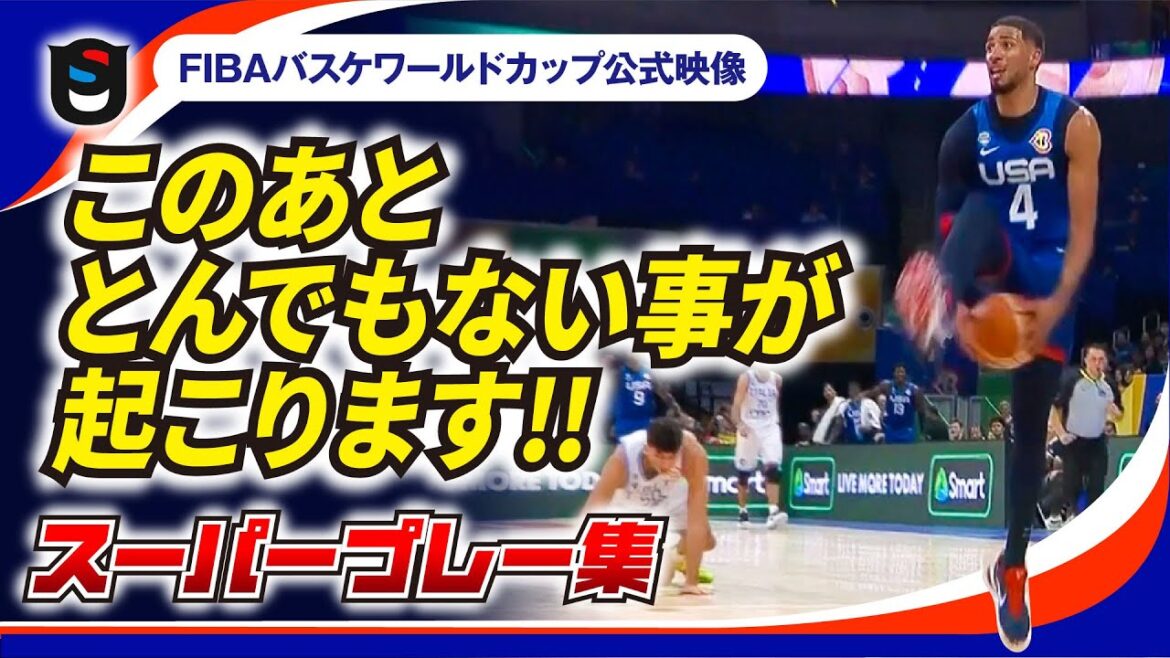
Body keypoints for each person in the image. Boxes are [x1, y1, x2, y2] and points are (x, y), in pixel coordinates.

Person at [895, 15, 1100, 652]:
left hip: (1050, 283)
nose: (995, 53)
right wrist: (959, 302)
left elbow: (1085, 232)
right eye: (989, 45)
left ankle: (1012, 565)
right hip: (993, 261)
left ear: (1036, 55)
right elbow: (949, 219)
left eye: (1008, 44)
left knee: (1031, 432)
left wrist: (1057, 304)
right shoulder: (964, 135)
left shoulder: (1074, 125)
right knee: (980, 210)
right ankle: (938, 296)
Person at [584, 417, 715, 594]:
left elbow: (697, 518)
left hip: (670, 494)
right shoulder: (622, 460)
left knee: (707, 541)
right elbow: (593, 510)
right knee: (659, 577)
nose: (665, 464)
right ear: (647, 448)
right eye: (659, 456)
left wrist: (691, 582)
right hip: (629, 500)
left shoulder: (693, 455)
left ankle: (676, 556)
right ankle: (659, 557)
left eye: (671, 457)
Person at [1050, 344, 1123, 517]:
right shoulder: (1072, 380)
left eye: (1101, 359)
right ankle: (1064, 514)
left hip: (1097, 442)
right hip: (1074, 441)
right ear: (1085, 360)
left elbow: (1120, 414)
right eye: (1093, 359)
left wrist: (1116, 413)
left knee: (1097, 484)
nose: (1097, 363)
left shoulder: (1109, 384)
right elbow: (1055, 408)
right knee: (1071, 485)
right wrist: (1061, 434)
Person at [730, 366, 788, 528]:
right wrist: (739, 424)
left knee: (773, 468)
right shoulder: (746, 378)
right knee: (744, 472)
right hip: (749, 427)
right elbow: (736, 406)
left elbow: (774, 405)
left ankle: (773, 512)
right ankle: (743, 512)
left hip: (770, 427)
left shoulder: (777, 379)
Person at [604, 352, 667, 444]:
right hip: (625, 425)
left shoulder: (649, 373)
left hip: (647, 423)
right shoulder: (618, 373)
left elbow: (662, 396)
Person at [879, 364, 924, 443]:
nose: (900, 374)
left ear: (906, 374)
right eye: (897, 372)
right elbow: (873, 392)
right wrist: (862, 395)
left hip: (907, 430)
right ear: (894, 374)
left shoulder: (914, 389)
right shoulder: (887, 386)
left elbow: (921, 411)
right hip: (891, 429)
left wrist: (922, 430)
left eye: (902, 372)